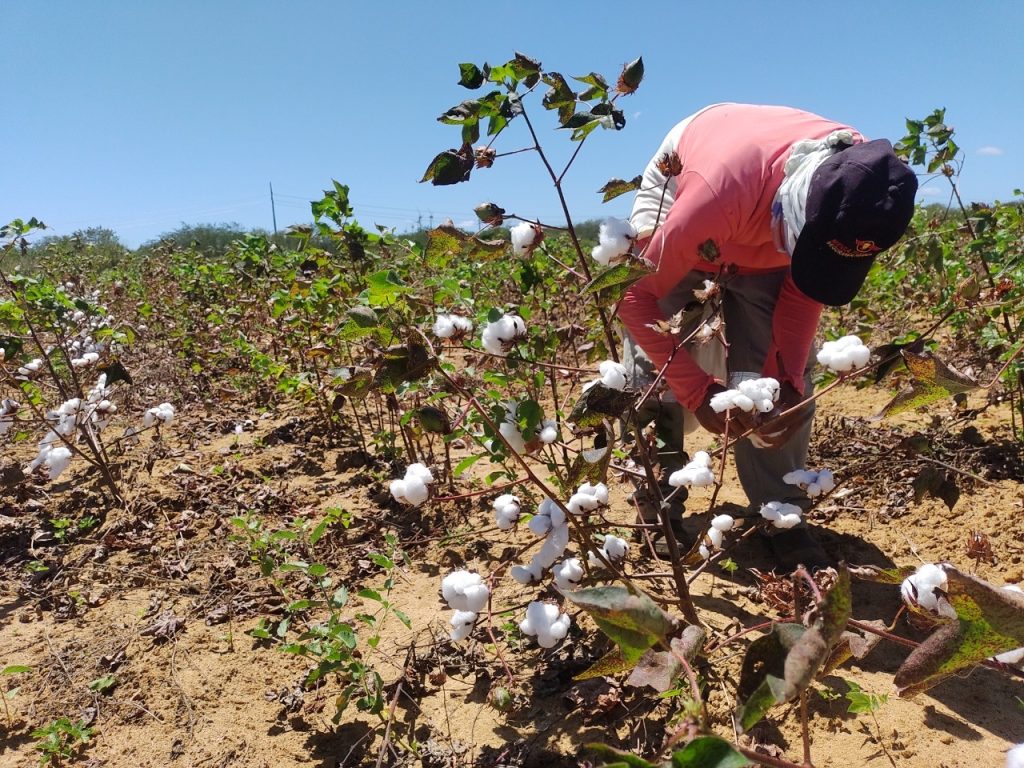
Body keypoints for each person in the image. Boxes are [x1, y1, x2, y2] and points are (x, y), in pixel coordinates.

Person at [618, 103, 918, 570]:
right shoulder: (712, 198)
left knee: (774, 389)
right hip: (695, 196)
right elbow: (634, 300)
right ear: (800, 215)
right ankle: (658, 502)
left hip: (759, 212)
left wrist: (791, 384)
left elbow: (803, 295)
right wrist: (698, 393)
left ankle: (781, 511)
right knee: (656, 362)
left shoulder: (863, 192)